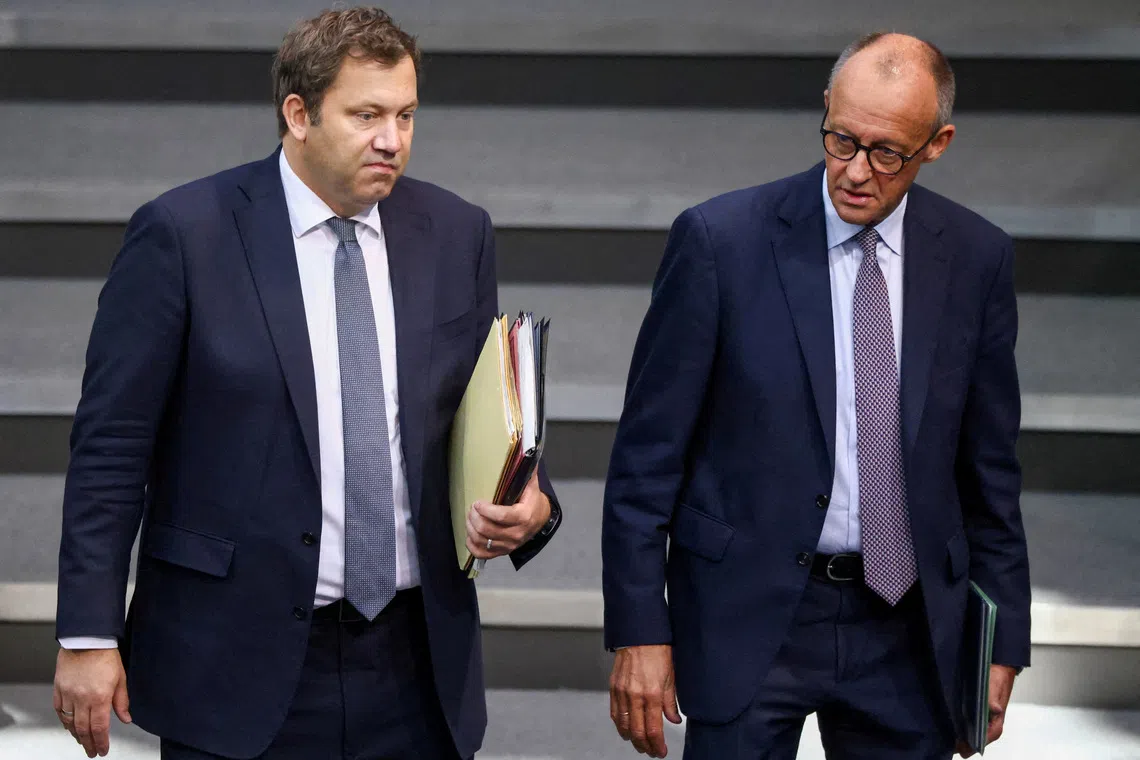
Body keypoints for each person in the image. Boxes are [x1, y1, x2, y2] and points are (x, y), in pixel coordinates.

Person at [52, 8, 561, 759]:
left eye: (407, 114)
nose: (394, 140)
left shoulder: (457, 233)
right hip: (235, 660)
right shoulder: (184, 233)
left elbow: (478, 410)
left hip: (417, 666)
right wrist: (89, 634)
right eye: (367, 115)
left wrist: (532, 501)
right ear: (298, 113)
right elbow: (113, 446)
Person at [602, 32, 1030, 760]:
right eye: (841, 139)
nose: (856, 172)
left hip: (908, 628)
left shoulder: (976, 258)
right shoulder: (720, 243)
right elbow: (647, 459)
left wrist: (1003, 640)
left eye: (886, 152)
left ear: (938, 143)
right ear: (826, 109)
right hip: (749, 613)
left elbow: (990, 472)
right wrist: (640, 628)